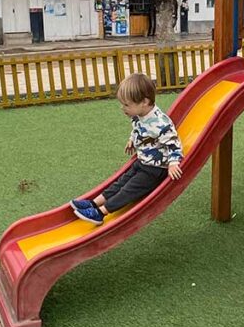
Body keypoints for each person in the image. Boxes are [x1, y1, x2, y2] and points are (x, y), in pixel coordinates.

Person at [70, 73, 184, 225]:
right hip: (142, 162)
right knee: (120, 183)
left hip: (154, 170)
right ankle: (94, 203)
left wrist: (173, 163)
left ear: (144, 101)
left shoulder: (161, 123)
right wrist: (132, 140)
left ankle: (100, 213)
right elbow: (138, 129)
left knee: (128, 190)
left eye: (127, 105)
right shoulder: (138, 115)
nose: (122, 108)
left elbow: (174, 143)